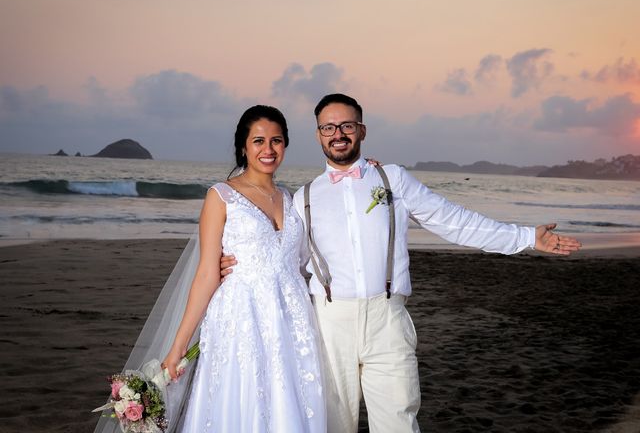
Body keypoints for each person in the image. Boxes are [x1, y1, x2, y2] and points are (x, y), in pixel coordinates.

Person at [221, 93, 581, 433]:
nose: (338, 134)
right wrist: (239, 270)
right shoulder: (303, 198)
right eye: (328, 127)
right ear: (318, 135)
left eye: (347, 125)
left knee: (398, 423)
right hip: (328, 326)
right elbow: (289, 263)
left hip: (388, 320)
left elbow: (454, 221)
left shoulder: (391, 179)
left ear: (362, 130)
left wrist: (526, 238)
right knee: (331, 425)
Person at [158, 105, 327, 432]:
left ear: (285, 146)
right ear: (243, 147)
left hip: (292, 320)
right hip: (241, 318)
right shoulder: (221, 196)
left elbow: (302, 260)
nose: (268, 150)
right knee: (244, 403)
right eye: (259, 141)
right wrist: (178, 346)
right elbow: (207, 273)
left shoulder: (291, 199)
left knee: (292, 403)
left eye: (276, 141)